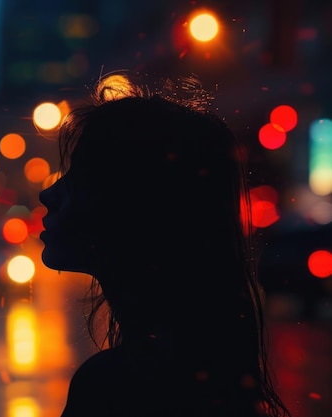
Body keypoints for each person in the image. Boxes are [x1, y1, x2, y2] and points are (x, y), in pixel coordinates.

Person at [38, 73, 293, 417]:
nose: (48, 193)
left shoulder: (118, 387)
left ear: (137, 206)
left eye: (82, 177)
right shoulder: (204, 373)